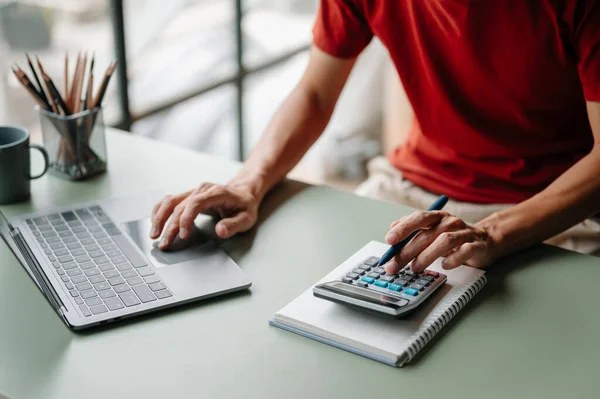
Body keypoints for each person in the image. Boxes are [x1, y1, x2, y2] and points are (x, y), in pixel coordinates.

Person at [150, 0, 600, 274]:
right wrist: (250, 181)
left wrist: (494, 232)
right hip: (413, 193)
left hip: (559, 211)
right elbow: (313, 93)